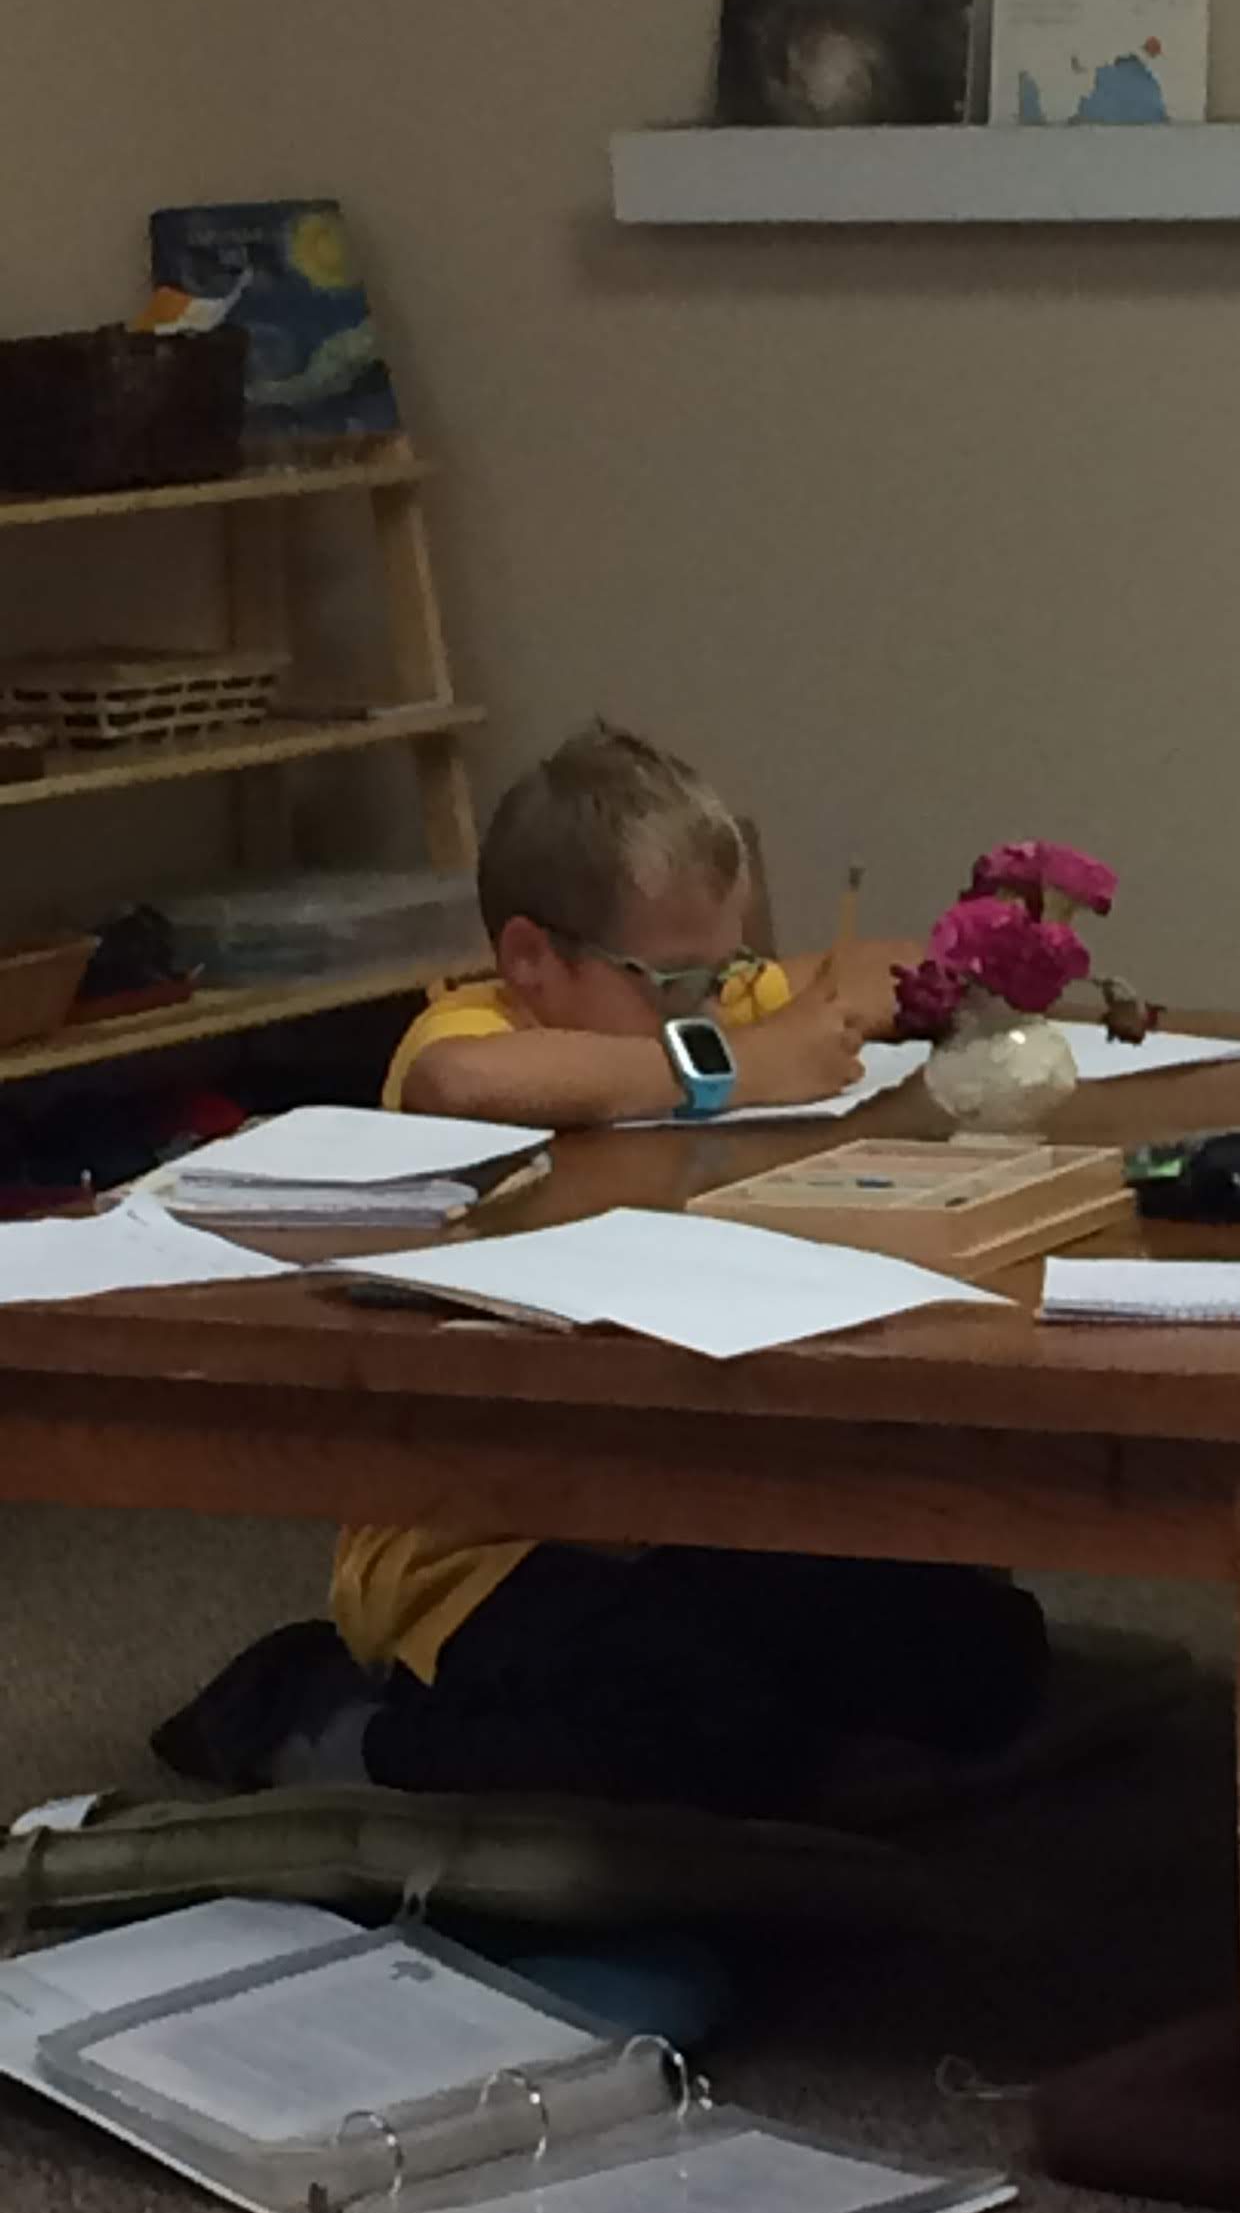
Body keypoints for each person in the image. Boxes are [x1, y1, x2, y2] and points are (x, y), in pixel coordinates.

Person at [157, 722, 1048, 1815]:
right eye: (675, 981)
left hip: (675, 1501)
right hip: (482, 1540)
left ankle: (765, 1721)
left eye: (724, 973)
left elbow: (867, 969)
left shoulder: (694, 998)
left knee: (983, 1658)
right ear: (533, 959)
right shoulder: (472, 1029)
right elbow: (460, 1084)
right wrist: (733, 1068)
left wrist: (917, 977)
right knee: (688, 1734)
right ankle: (330, 1726)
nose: (709, 1005)